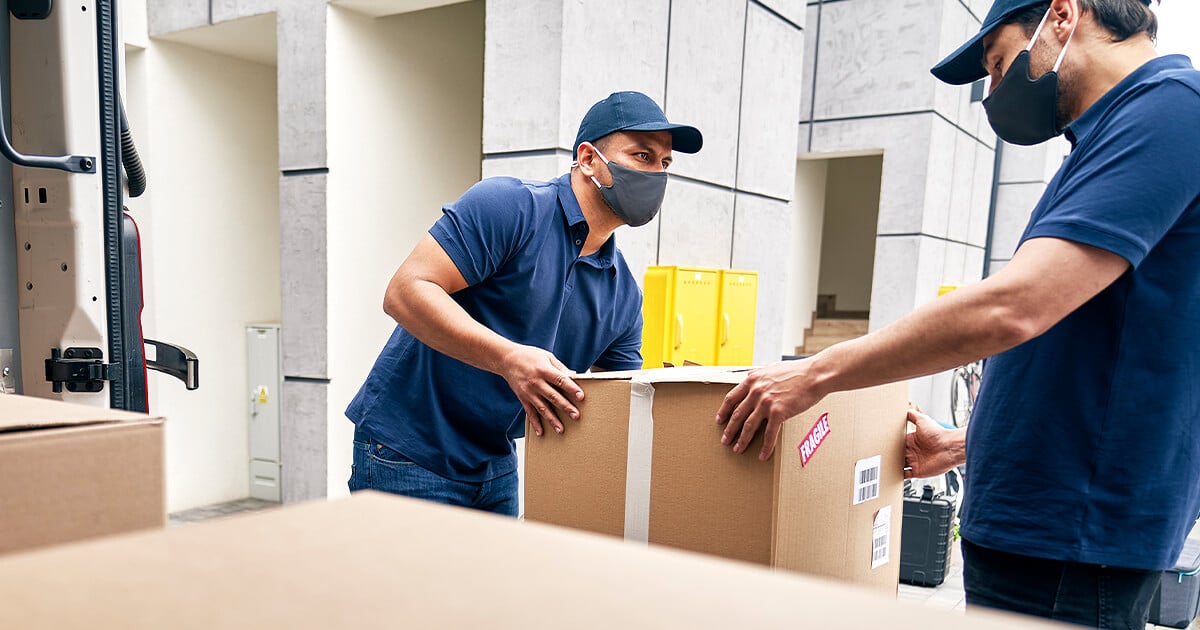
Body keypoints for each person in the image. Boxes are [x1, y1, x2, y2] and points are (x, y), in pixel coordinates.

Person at [714, 0, 1200, 627]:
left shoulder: (1170, 109)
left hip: (1070, 540)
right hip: (1047, 529)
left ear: (1061, 15)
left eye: (998, 66)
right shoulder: (1113, 135)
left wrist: (813, 373)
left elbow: (1015, 306)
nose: (994, 93)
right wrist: (969, 444)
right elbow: (1106, 351)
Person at [346, 91, 702, 517]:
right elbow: (405, 291)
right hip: (409, 449)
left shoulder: (623, 292)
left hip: (496, 462)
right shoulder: (510, 207)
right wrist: (507, 358)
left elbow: (617, 401)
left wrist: (687, 402)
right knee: (417, 587)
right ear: (588, 159)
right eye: (642, 156)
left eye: (665, 164)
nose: (656, 174)